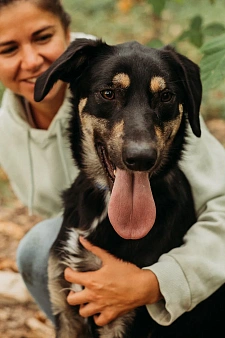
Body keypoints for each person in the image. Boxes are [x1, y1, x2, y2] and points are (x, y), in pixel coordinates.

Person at [0, 0, 225, 329]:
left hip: (189, 259)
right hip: (92, 221)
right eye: (7, 48)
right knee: (40, 246)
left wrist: (155, 282)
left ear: (67, 32)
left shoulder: (144, 69)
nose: (32, 60)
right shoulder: (7, 125)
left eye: (43, 37)